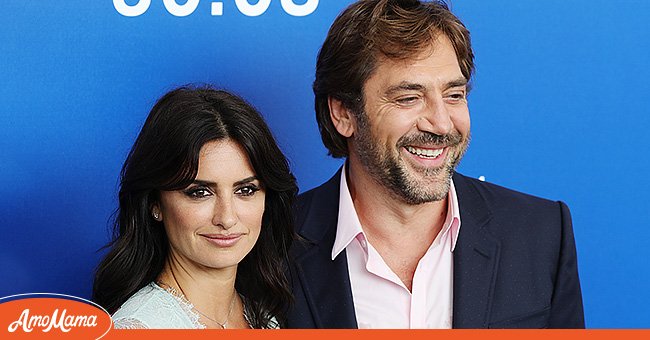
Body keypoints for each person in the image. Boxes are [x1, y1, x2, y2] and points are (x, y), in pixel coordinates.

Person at [287, 0, 584, 329]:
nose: (442, 124)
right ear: (343, 113)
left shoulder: (540, 233)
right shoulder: (272, 244)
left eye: (454, 95)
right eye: (408, 98)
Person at [93, 86, 297, 329]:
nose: (227, 218)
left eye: (246, 190)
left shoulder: (265, 318)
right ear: (154, 203)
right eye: (200, 192)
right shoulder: (139, 327)